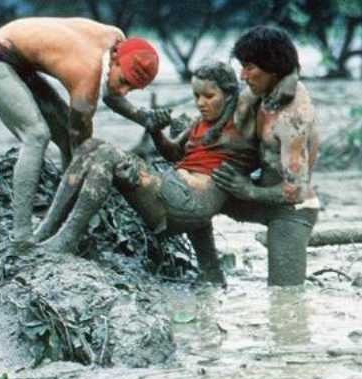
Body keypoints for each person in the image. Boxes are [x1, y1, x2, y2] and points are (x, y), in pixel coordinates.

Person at [33, 62, 257, 283]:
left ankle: (67, 238)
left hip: (187, 201)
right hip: (181, 192)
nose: (200, 103)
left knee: (106, 154)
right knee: (89, 147)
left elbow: (270, 136)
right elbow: (172, 152)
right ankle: (46, 230)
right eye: (196, 96)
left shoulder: (242, 123)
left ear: (229, 95)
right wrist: (156, 132)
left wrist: (255, 189)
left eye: (208, 96)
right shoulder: (200, 123)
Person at [0, 17, 164, 246]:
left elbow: (111, 93)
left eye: (132, 88)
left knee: (63, 136)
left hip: (21, 64)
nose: (123, 90)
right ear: (114, 58)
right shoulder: (87, 74)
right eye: (124, 81)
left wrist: (144, 117)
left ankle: (59, 222)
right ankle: (22, 237)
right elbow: (82, 147)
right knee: (36, 136)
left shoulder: (117, 39)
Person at [211, 26, 320, 287]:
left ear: (272, 67)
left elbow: (297, 190)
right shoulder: (260, 92)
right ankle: (209, 276)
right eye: (242, 66)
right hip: (258, 187)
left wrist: (247, 190)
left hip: (290, 208)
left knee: (286, 297)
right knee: (191, 201)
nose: (243, 75)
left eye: (249, 67)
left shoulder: (293, 115)